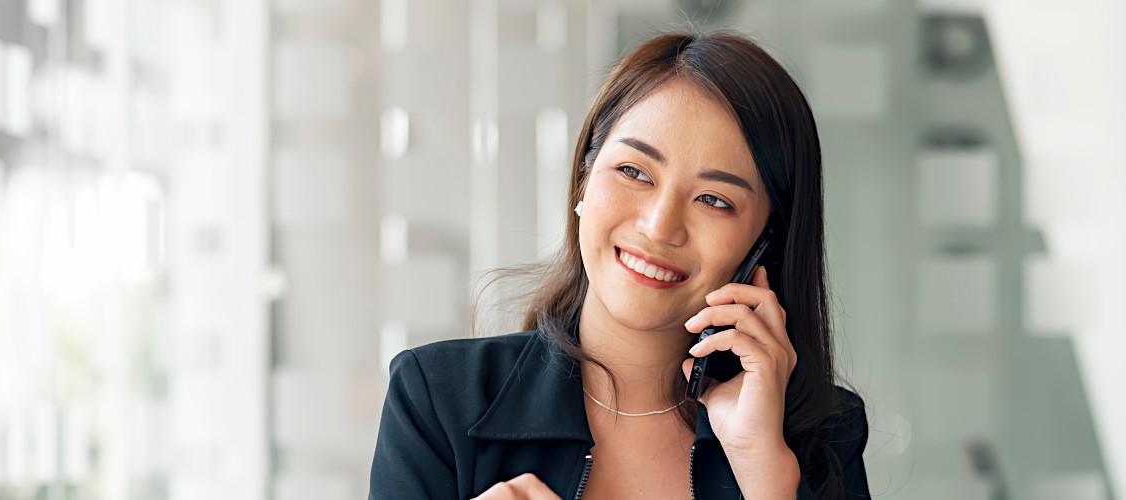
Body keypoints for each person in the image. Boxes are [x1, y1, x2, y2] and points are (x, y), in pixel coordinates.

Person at [369, 31, 870, 500]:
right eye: (633, 171)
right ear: (584, 180)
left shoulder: (823, 436)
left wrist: (766, 470)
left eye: (714, 200)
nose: (659, 227)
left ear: (763, 242)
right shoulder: (437, 399)